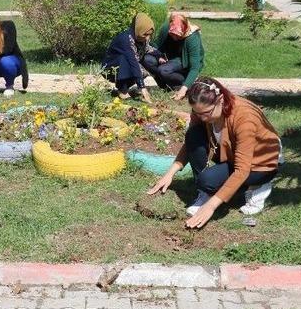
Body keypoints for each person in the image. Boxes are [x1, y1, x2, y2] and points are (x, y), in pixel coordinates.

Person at [146, 77, 282, 229]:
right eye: (198, 113)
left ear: (221, 100)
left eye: (206, 113)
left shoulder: (244, 118)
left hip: (260, 163)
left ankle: (258, 186)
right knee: (194, 134)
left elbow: (242, 170)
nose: (203, 118)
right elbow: (192, 143)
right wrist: (170, 172)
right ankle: (204, 193)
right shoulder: (202, 111)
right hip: (231, 154)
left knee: (208, 181)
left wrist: (210, 207)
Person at [141, 13, 205, 101]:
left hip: (184, 61)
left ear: (185, 29)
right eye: (172, 34)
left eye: (178, 35)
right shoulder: (166, 28)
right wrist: (159, 56)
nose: (174, 37)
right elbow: (156, 46)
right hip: (170, 59)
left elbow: (195, 67)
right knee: (147, 59)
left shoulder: (192, 37)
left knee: (163, 70)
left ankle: (186, 84)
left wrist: (183, 90)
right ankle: (164, 86)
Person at [101, 12, 156, 103]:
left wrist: (161, 56)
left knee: (147, 66)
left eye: (149, 35)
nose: (147, 38)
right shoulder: (125, 39)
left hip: (124, 66)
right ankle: (122, 89)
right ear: (139, 29)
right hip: (110, 68)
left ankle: (124, 87)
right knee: (126, 59)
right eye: (145, 34)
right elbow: (133, 62)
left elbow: (150, 49)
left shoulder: (140, 37)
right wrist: (142, 87)